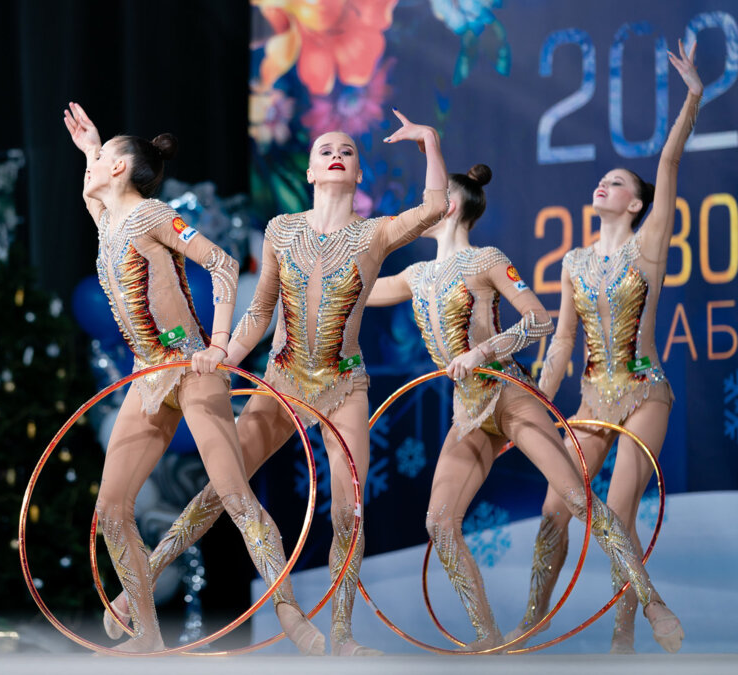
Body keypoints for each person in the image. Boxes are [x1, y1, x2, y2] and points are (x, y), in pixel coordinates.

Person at [103, 110, 450, 656]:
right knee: (222, 487)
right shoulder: (281, 230)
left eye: (349, 151)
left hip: (342, 387)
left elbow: (435, 207)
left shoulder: (375, 233)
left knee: (346, 510)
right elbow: (260, 311)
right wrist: (223, 354)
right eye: (325, 149)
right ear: (310, 172)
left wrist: (428, 141)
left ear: (357, 175)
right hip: (281, 380)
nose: (336, 154)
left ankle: (340, 636)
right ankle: (144, 573)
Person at [366, 164, 683, 651]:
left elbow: (538, 319)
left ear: (448, 205)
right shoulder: (416, 274)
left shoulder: (486, 258)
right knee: (438, 523)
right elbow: (354, 289)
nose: (419, 209)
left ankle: (652, 602)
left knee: (577, 500)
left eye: (430, 199)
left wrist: (483, 352)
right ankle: (488, 636)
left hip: (510, 393)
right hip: (468, 411)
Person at [64, 101, 327, 654]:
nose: (90, 166)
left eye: (102, 157)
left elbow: (225, 265)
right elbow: (93, 192)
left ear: (120, 169)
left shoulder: (154, 214)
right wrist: (92, 148)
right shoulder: (108, 219)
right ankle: (148, 638)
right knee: (110, 510)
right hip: (145, 376)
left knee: (233, 496)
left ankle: (290, 612)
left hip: (191, 366)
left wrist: (220, 345)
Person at [506, 40, 700, 653]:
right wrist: (539, 393)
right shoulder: (573, 261)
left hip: (644, 390)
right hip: (591, 396)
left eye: (614, 183)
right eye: (601, 180)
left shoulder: (649, 248)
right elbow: (563, 337)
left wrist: (693, 96)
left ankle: (633, 623)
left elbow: (667, 166)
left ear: (635, 203)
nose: (602, 185)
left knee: (617, 516)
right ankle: (530, 622)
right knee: (552, 513)